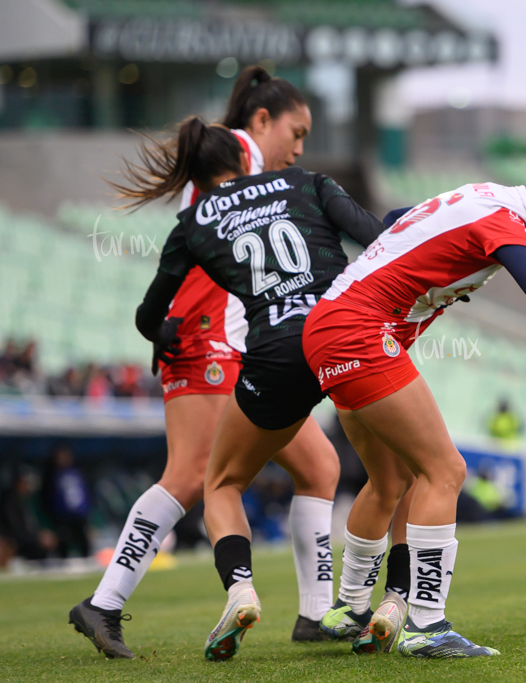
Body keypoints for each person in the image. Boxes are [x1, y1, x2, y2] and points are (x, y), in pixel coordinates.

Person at [300, 157, 526, 658]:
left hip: (329, 326)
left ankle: (352, 605)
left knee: (389, 481)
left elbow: (397, 218)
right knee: (445, 470)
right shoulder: (505, 222)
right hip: (361, 333)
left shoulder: (483, 196)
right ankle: (427, 626)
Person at [68, 66, 343, 659]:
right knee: (192, 473)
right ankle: (104, 603)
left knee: (319, 465)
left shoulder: (244, 165)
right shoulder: (242, 150)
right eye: (296, 131)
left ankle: (317, 615)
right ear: (262, 122)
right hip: (204, 336)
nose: (299, 148)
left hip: (231, 341)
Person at [119, 116, 386, 661]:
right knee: (407, 470)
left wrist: (162, 332)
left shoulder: (194, 221)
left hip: (276, 356)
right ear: (247, 156)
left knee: (221, 481)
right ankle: (385, 605)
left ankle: (241, 588)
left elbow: (150, 315)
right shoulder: (306, 182)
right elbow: (378, 238)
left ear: (192, 175)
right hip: (344, 339)